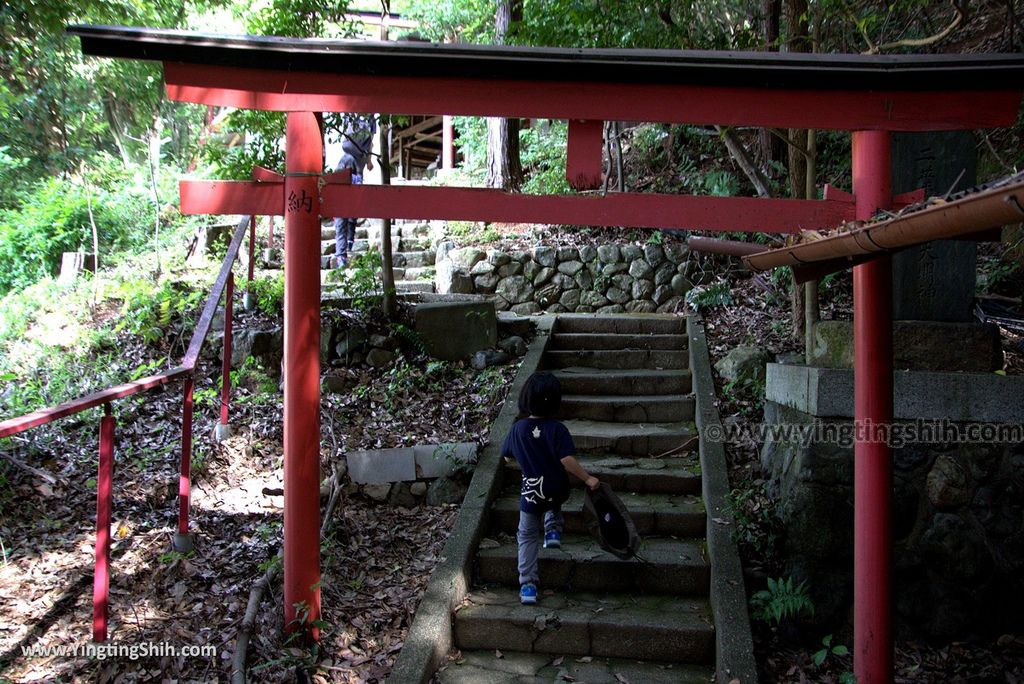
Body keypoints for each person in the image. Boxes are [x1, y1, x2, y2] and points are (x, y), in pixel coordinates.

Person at [500, 372, 600, 605]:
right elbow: (566, 461)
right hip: (556, 488)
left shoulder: (517, 429)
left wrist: (524, 457)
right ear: (555, 401)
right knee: (553, 501)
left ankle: (527, 585)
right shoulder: (558, 429)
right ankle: (553, 530)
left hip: (531, 493)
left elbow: (506, 458)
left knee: (526, 535)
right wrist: (587, 478)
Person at [333, 114, 377, 268]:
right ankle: (347, 245)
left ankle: (342, 255)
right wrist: (369, 160)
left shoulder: (363, 116)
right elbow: (371, 140)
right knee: (348, 210)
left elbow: (371, 139)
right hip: (357, 161)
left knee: (344, 215)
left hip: (355, 160)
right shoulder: (359, 116)